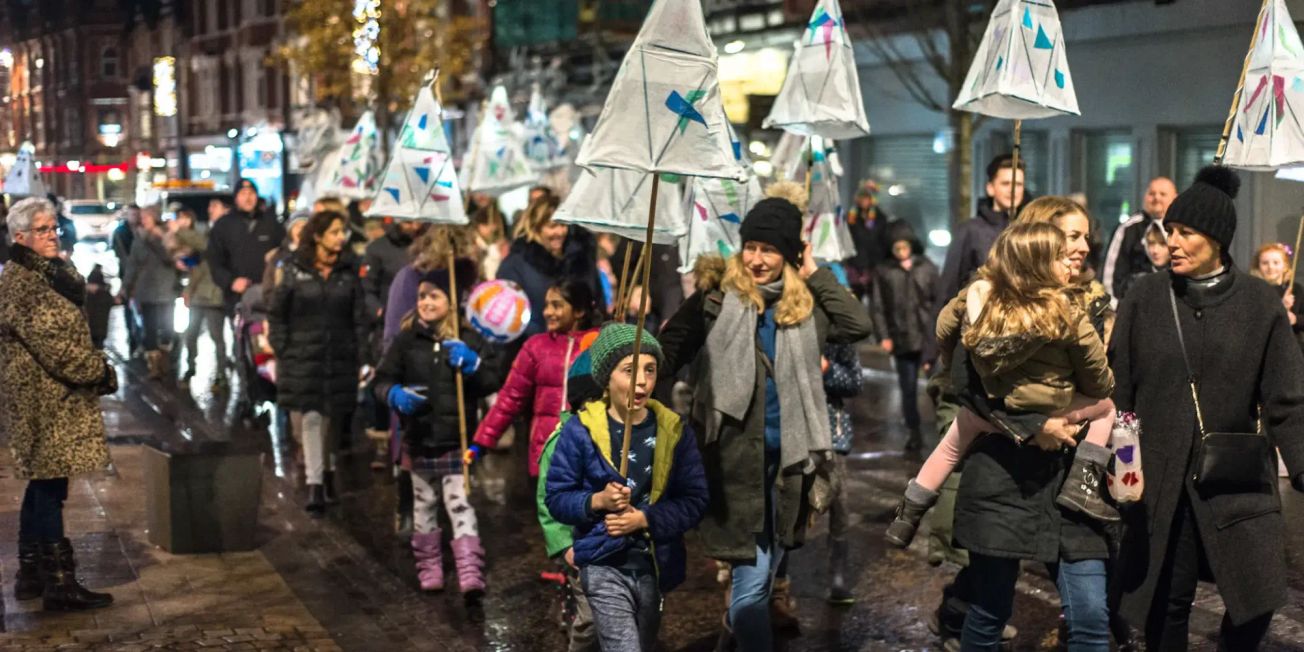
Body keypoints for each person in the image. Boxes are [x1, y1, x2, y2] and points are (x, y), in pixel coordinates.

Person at [657, 197, 873, 650]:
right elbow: (667, 352)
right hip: (734, 467)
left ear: (789, 253)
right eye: (750, 247)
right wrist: (630, 361)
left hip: (790, 467)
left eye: (769, 249)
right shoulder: (716, 299)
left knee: (764, 575)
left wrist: (813, 270)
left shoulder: (807, 305)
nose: (756, 259)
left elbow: (857, 324)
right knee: (751, 588)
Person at [1112, 166, 1304, 651]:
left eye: (1186, 232)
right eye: (1170, 231)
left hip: (1237, 479)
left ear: (1216, 239)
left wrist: (1301, 464)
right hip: (1163, 481)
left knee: (1256, 599)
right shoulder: (1145, 297)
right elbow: (1120, 388)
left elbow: (1286, 397)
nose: (1172, 242)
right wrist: (1119, 459)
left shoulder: (1260, 304)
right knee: (1167, 603)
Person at [924, 195, 1118, 650]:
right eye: (1071, 237)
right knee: (989, 611)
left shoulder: (1095, 301)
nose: (1082, 247)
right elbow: (966, 386)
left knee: (1091, 614)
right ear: (1037, 242)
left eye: (1085, 237)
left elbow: (1106, 383)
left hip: (1074, 481)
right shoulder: (986, 299)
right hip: (1004, 478)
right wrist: (1034, 424)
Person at [887, 222, 1119, 556]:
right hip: (1054, 405)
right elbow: (1098, 378)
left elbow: (944, 327)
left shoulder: (985, 304)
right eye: (1060, 257)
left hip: (994, 408)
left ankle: (908, 514)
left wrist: (949, 355)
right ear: (1040, 265)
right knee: (1106, 407)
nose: (1070, 262)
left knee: (950, 446)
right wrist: (1098, 384)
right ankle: (1083, 484)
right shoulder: (1067, 312)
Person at [545, 323, 709, 652]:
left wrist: (645, 519)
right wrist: (596, 500)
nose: (643, 381)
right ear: (607, 377)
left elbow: (695, 500)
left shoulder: (674, 431)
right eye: (630, 370)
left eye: (650, 369)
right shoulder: (581, 431)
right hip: (603, 563)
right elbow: (557, 498)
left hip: (654, 566)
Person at [0, 197, 117, 611]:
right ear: (20, 237)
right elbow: (57, 348)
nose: (52, 235)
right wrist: (101, 371)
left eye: (53, 228)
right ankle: (59, 583)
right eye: (42, 230)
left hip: (52, 397)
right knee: (49, 487)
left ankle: (32, 573)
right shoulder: (23, 283)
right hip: (42, 401)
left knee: (44, 484)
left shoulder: (49, 273)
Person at [374, 269, 502, 614]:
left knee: (460, 503)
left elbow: (492, 379)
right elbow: (381, 379)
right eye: (422, 296)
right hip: (419, 438)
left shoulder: (468, 338)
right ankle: (429, 565)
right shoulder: (405, 341)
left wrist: (475, 365)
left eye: (435, 296)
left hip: (455, 439)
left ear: (451, 301)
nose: (426, 303)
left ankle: (469, 570)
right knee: (424, 504)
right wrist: (393, 393)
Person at [267, 210, 366, 516]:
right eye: (334, 232)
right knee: (311, 415)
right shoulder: (293, 269)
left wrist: (361, 353)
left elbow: (358, 316)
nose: (340, 238)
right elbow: (277, 313)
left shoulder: (349, 270)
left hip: (340, 355)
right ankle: (315, 484)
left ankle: (329, 470)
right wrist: (283, 347)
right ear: (318, 236)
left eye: (342, 232)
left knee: (333, 418)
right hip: (303, 356)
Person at [470, 279, 602, 477]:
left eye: (557, 305)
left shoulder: (599, 344)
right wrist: (482, 440)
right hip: (547, 453)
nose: (548, 312)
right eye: (547, 305)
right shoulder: (536, 347)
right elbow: (510, 398)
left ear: (579, 311)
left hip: (590, 450)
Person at [871, 221, 940, 450]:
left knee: (938, 387)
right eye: (896, 248)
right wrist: (884, 336)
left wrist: (939, 334)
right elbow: (878, 306)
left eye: (904, 247)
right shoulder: (884, 271)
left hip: (928, 338)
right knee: (908, 389)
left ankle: (944, 431)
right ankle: (914, 431)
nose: (901, 252)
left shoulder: (927, 268)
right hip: (901, 339)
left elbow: (939, 301)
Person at [498, 195, 602, 339]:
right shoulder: (515, 264)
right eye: (552, 226)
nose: (560, 232)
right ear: (536, 227)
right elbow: (508, 314)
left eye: (563, 225)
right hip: (533, 343)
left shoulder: (579, 260)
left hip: (579, 343)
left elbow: (596, 300)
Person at [937, 154, 1026, 305]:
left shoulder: (1028, 230)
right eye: (1005, 183)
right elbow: (949, 285)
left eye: (1018, 184)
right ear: (990, 188)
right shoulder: (970, 230)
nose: (1013, 190)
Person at [170, 207, 230, 390]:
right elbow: (197, 268)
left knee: (216, 337)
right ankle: (191, 368)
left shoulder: (220, 238)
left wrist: (180, 230)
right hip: (199, 296)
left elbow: (203, 246)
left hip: (214, 295)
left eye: (214, 209)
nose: (210, 212)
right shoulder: (208, 234)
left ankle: (221, 375)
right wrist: (188, 290)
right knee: (191, 335)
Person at [821, 339, 862, 605]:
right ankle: (778, 580)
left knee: (840, 503)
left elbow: (855, 381)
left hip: (831, 432)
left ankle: (838, 575)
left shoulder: (837, 335)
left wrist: (827, 368)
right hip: (791, 426)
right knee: (788, 506)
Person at [208, 178, 286, 315]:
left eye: (251, 193)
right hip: (237, 297)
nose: (248, 198)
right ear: (236, 197)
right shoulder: (224, 225)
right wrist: (231, 282)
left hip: (267, 294)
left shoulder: (271, 223)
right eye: (243, 194)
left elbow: (284, 252)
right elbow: (215, 261)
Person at [123, 205, 180, 380]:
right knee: (150, 329)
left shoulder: (167, 236)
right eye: (142, 217)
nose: (144, 220)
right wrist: (126, 286)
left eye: (147, 217)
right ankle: (154, 365)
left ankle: (166, 359)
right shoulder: (139, 238)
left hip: (166, 289)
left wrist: (158, 238)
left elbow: (172, 257)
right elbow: (133, 264)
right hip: (146, 290)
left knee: (167, 327)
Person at [1102, 177, 1177, 305]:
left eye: (1163, 194)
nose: (1156, 198)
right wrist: (1117, 308)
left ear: (1175, 198)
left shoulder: (1183, 228)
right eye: (1152, 193)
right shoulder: (1128, 229)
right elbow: (1110, 275)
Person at [362, 218, 425, 323]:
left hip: (422, 316)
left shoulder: (426, 246)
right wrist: (379, 311)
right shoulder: (377, 249)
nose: (415, 227)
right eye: (408, 222)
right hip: (390, 318)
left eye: (418, 221)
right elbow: (366, 288)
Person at [845, 179, 891, 300]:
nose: (863, 200)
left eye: (866, 197)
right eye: (861, 196)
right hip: (855, 266)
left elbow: (883, 241)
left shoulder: (880, 218)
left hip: (874, 266)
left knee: (876, 299)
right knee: (854, 300)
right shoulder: (851, 217)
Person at [1251, 242, 1304, 346]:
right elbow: (1253, 322)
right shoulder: (1253, 290)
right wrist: (1282, 307)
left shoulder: (1296, 289)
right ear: (1258, 266)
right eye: (1265, 263)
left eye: (1276, 263)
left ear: (1285, 266)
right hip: (1264, 347)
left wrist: (1295, 319)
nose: (1270, 267)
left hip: (1293, 348)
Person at [112, 205, 141, 354]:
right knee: (129, 307)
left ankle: (140, 337)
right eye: (132, 214)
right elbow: (122, 255)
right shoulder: (120, 232)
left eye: (136, 214)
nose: (134, 217)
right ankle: (132, 336)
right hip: (127, 275)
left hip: (142, 277)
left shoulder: (142, 230)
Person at [473, 202, 510, 281]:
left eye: (493, 224)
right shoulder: (474, 243)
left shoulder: (502, 243)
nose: (490, 228)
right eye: (484, 225)